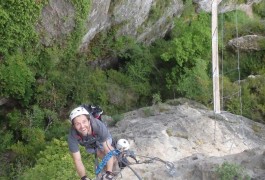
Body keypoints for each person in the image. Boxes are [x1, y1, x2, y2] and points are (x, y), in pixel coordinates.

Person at [67, 106, 116, 180]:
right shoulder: (72, 136)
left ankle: (115, 162)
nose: (82, 126)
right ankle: (111, 164)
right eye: (77, 124)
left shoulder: (98, 126)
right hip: (89, 143)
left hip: (100, 137)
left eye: (84, 122)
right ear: (73, 126)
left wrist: (109, 173)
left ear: (89, 120)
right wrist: (84, 177)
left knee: (107, 151)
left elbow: (107, 150)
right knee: (100, 155)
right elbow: (77, 160)